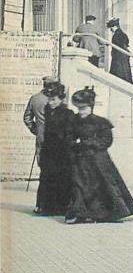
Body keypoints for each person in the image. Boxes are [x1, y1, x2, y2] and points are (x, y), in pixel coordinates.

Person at [65, 87, 133, 224]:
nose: (81, 112)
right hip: (80, 160)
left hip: (98, 160)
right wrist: (74, 144)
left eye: (84, 108)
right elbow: (68, 137)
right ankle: (80, 214)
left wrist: (90, 143)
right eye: (79, 108)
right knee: (80, 186)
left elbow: (107, 140)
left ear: (91, 107)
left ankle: (104, 214)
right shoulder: (73, 121)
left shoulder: (100, 122)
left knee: (101, 186)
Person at [34, 83, 74, 215]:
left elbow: (69, 134)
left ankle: (61, 207)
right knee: (46, 178)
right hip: (49, 150)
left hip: (62, 151)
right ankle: (45, 206)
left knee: (62, 179)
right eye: (49, 99)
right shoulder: (48, 110)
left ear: (61, 99)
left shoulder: (68, 113)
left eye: (54, 99)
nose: (50, 102)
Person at [23, 76, 58, 166]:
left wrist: (37, 130)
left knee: (43, 164)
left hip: (41, 136)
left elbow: (27, 118)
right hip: (57, 136)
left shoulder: (35, 98)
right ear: (52, 86)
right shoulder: (57, 100)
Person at [107, 18, 133, 84]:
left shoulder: (118, 34)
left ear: (115, 26)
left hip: (119, 57)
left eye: (111, 27)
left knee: (119, 73)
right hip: (121, 56)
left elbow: (121, 44)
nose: (110, 29)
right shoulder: (121, 33)